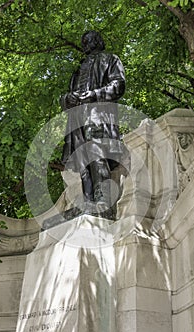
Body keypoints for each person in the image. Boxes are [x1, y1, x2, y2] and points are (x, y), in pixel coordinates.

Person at [60, 30, 126, 219]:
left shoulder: (110, 60)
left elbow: (118, 85)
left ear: (98, 41)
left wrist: (94, 94)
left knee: (97, 154)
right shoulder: (78, 69)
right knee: (81, 160)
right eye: (83, 41)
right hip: (77, 118)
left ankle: (104, 201)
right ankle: (87, 202)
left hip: (98, 115)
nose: (85, 44)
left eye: (88, 40)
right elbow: (66, 97)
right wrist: (67, 99)